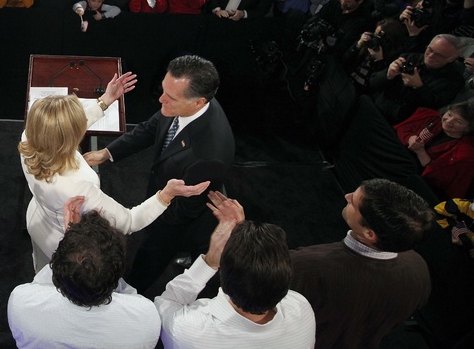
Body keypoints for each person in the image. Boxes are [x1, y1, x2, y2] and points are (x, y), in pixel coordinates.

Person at [19, 71, 210, 271]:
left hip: (37, 222)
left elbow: (63, 127)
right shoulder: (79, 187)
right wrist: (165, 195)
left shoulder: (29, 138)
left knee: (40, 270)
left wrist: (105, 101)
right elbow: (129, 221)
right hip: (63, 240)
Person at [84, 55, 235, 292]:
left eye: (170, 97)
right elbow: (151, 128)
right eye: (163, 90)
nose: (161, 99)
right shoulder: (180, 103)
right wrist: (107, 153)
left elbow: (181, 213)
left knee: (151, 256)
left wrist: (145, 216)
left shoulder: (209, 154)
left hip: (177, 222)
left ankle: (133, 292)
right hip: (166, 193)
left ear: (198, 102)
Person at [156, 192, 316, 348]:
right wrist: (242, 239)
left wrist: (209, 261)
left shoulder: (190, 329)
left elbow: (165, 305)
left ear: (223, 276)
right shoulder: (301, 309)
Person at [290, 178, 435, 348]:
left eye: (353, 202)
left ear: (369, 233)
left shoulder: (306, 266)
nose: (347, 196)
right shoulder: (419, 269)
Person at [7, 200, 161, 349]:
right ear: (119, 271)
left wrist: (69, 241)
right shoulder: (146, 319)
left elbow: (48, 278)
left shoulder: (22, 303)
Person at [370, 34, 466, 124]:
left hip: (402, 124)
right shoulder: (408, 58)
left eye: (439, 55)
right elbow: (372, 83)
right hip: (376, 108)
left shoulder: (454, 81)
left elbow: (436, 108)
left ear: (451, 59)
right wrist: (388, 75)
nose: (431, 56)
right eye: (430, 49)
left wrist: (419, 87)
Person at [394, 100, 474, 199]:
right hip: (397, 159)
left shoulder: (465, 154)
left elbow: (436, 178)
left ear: (468, 128)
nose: (449, 121)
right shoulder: (431, 117)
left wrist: (420, 152)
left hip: (414, 185)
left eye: (458, 121)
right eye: (449, 114)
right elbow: (403, 128)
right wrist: (409, 138)